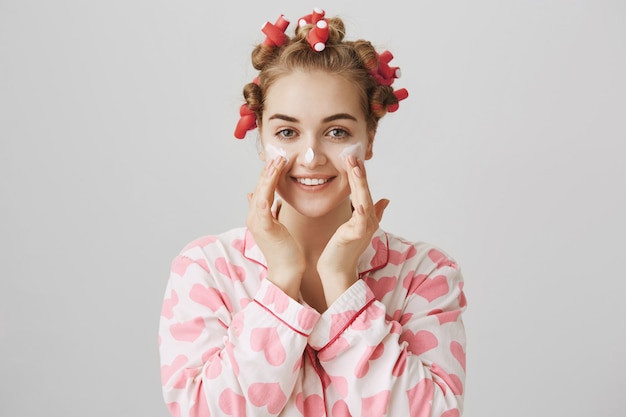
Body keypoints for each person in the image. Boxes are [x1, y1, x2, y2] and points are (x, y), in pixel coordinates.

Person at [159, 8, 467, 417]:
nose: (310, 156)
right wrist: (282, 281)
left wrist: (342, 283)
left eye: (337, 132)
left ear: (369, 138)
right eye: (287, 132)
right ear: (261, 139)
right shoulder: (207, 270)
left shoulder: (424, 275)